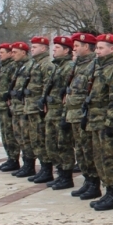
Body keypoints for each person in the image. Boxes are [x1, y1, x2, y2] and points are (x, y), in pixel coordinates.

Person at [86, 34, 113, 211]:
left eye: (101, 48)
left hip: (111, 122)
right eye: (96, 48)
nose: (97, 51)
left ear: (112, 49)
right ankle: (108, 191)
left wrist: (110, 122)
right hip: (98, 120)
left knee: (111, 158)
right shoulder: (101, 68)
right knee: (100, 158)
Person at [63, 32, 102, 200]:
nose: (74, 48)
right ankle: (88, 180)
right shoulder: (76, 65)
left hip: (85, 114)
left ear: (87, 46)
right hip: (74, 113)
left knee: (88, 150)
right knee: (80, 150)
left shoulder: (95, 65)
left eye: (77, 45)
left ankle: (94, 183)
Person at [42, 36, 75, 190]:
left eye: (57, 48)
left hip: (61, 112)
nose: (54, 50)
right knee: (52, 144)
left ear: (66, 50)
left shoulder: (68, 67)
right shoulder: (57, 66)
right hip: (52, 111)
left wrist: (65, 115)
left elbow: (68, 94)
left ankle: (66, 176)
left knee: (63, 145)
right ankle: (60, 172)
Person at [24, 36, 55, 184]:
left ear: (43, 48)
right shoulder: (34, 64)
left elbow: (47, 85)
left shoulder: (46, 64)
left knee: (41, 139)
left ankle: (47, 169)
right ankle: (43, 168)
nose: (32, 49)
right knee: (35, 139)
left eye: (35, 47)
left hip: (38, 108)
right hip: (31, 106)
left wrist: (43, 104)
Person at [0, 43, 22, 172]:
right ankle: (10, 158)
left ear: (10, 53)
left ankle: (14, 158)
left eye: (2, 52)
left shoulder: (12, 66)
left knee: (11, 133)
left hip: (9, 105)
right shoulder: (4, 66)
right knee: (5, 133)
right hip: (2, 104)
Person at [9, 42, 36, 176]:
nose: (12, 54)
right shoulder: (17, 67)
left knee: (26, 138)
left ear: (23, 52)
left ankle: (29, 165)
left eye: (15, 52)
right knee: (19, 137)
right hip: (16, 107)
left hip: (24, 108)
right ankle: (26, 164)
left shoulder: (29, 66)